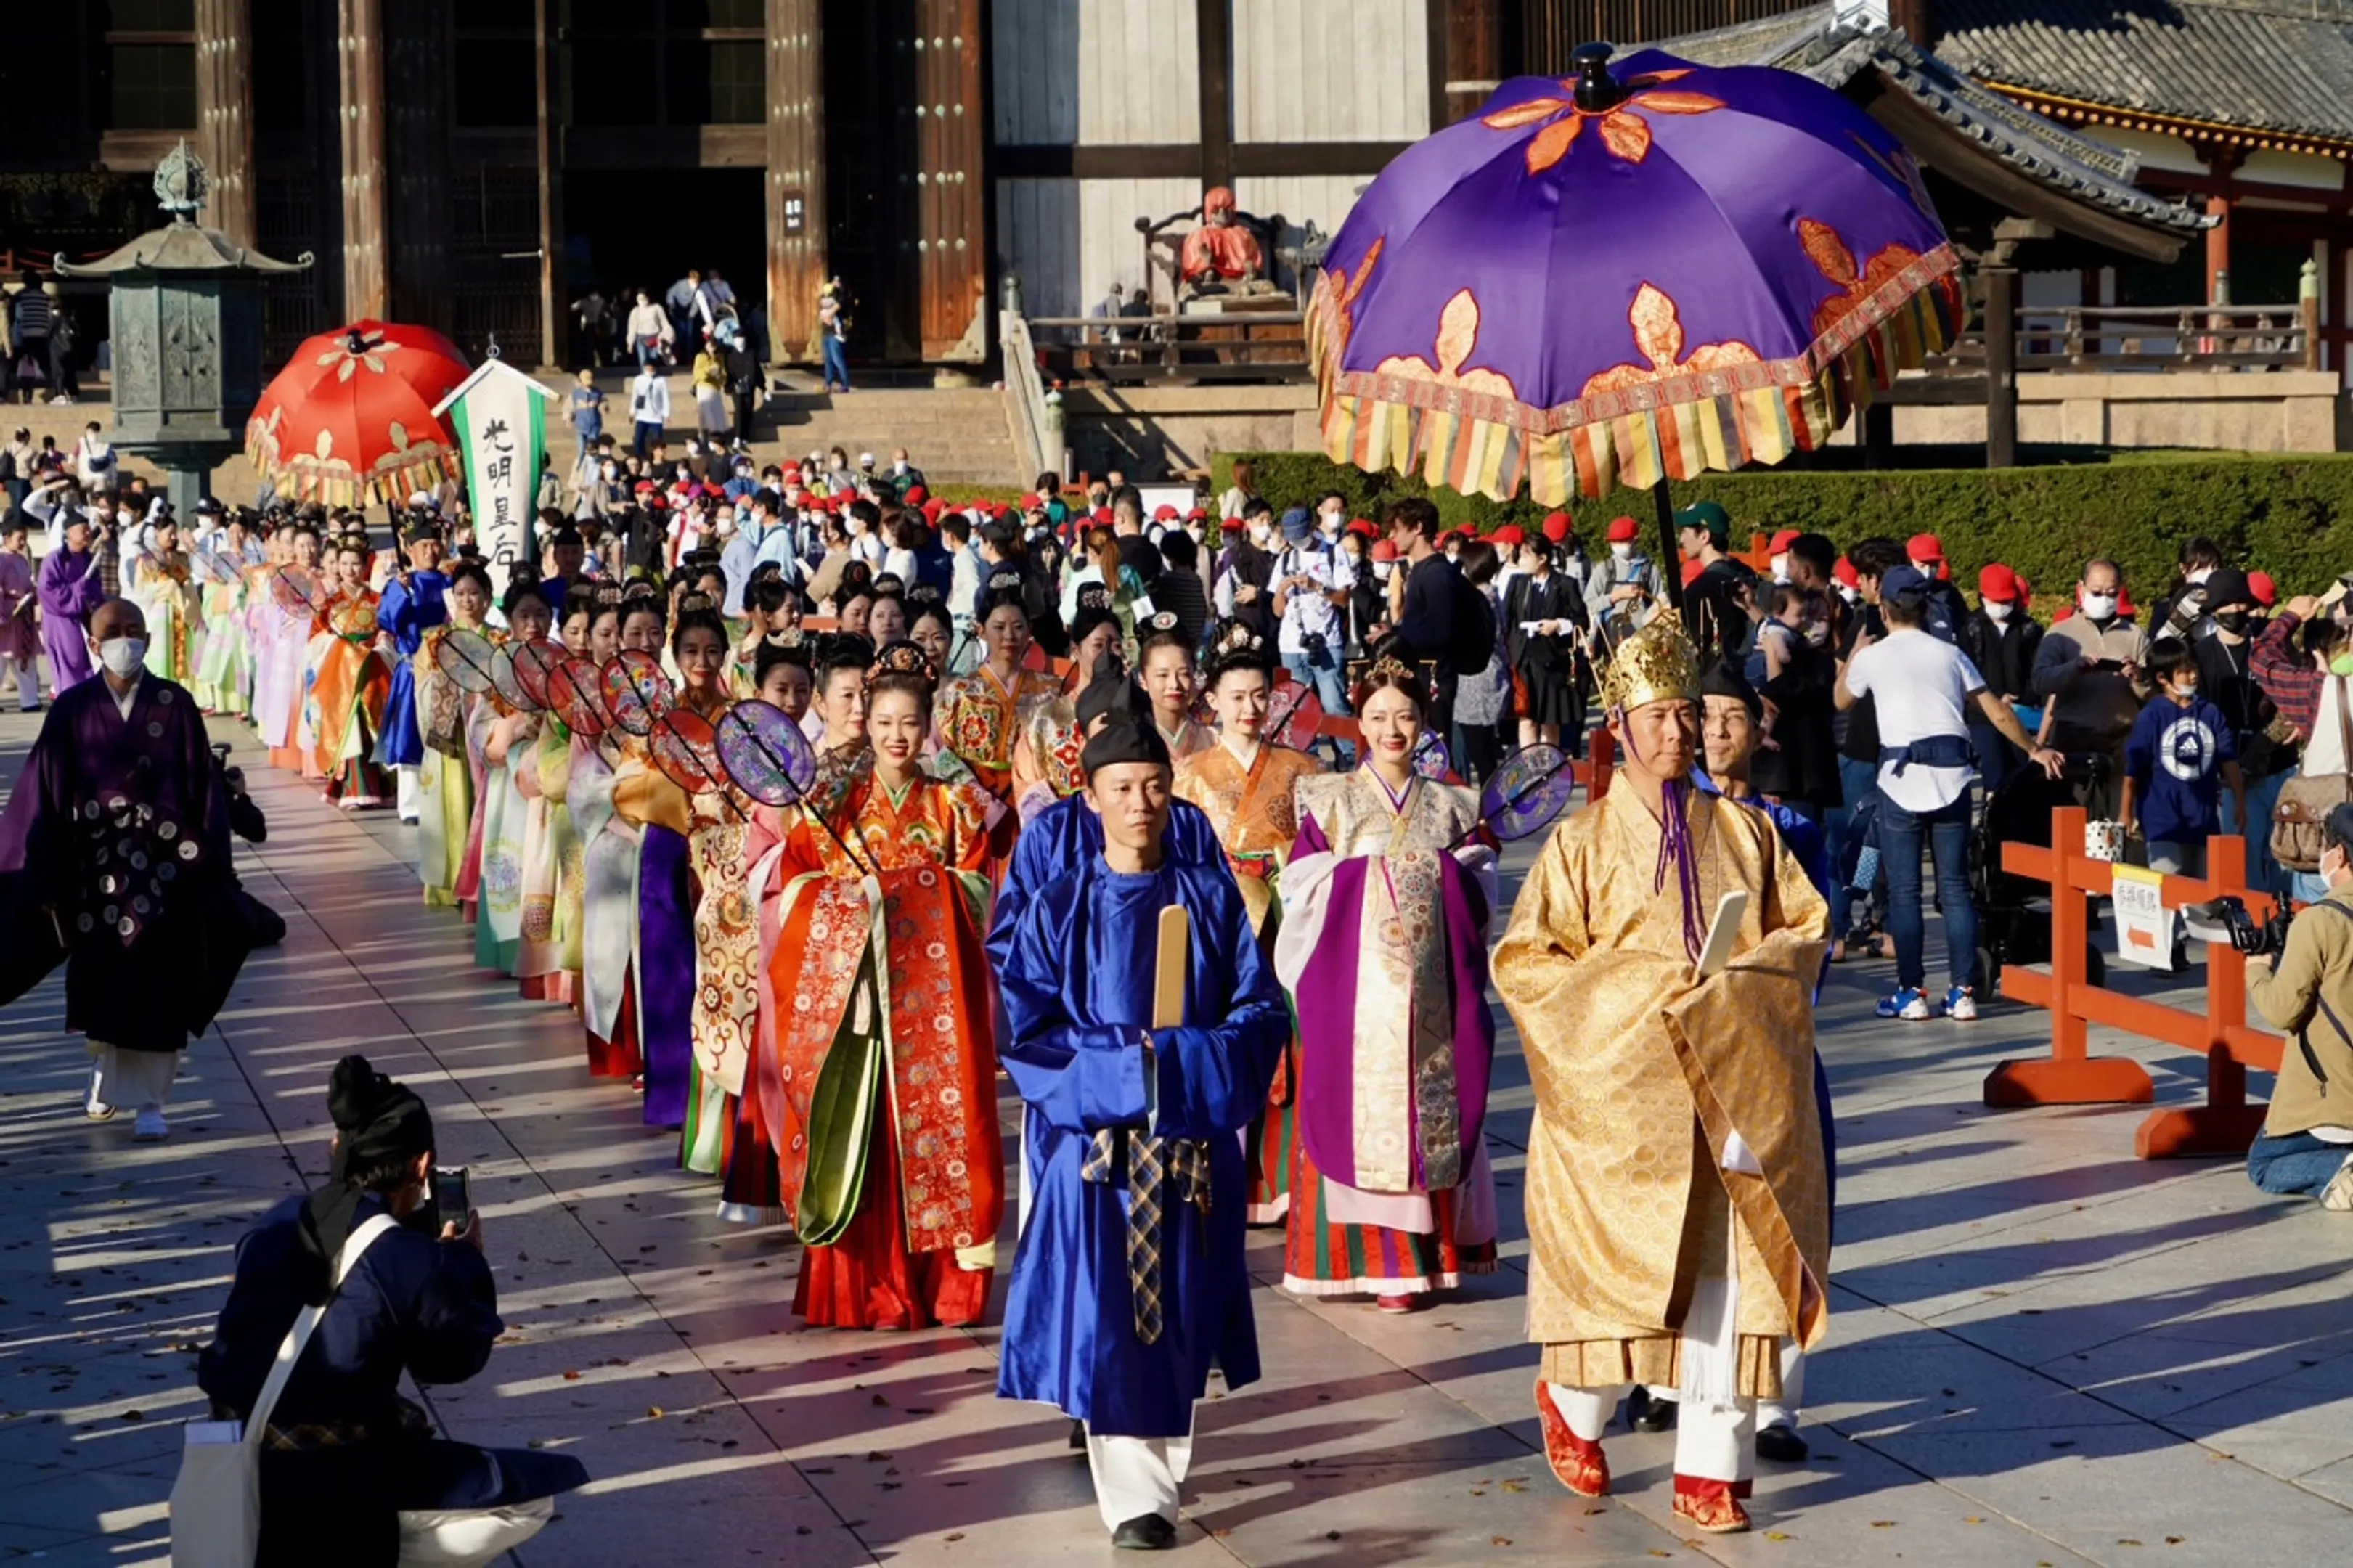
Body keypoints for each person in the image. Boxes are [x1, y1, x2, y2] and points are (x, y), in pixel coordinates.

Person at [1491, 610, 1829, 1535]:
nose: (1677, 734)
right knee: (1625, 1263)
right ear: (1619, 729)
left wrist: (1745, 983)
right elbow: (1525, 963)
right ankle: (1575, 1399)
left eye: (1688, 716)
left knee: (1730, 1270)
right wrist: (1628, 994)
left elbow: (1803, 929)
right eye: (1657, 719)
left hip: (1730, 1080)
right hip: (1623, 1088)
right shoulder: (1581, 841)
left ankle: (1712, 1464)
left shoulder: (1747, 833)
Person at [993, 718, 1289, 1550]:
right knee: (1111, 1319)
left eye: (1154, 786)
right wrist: (1125, 1065)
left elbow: (1259, 1007)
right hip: (1095, 1151)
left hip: (1187, 1138)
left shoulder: (1208, 894)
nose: (1140, 804)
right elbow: (1030, 1030)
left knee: (1179, 1314)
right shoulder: (1061, 905)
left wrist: (1187, 1056)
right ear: (1091, 798)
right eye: (1120, 789)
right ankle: (1134, 1497)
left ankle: (1163, 1477)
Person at [195, 1057, 587, 1567]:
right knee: (525, 1494)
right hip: (341, 1483)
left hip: (237, 1459)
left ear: (339, 1150)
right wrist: (463, 1263)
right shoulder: (407, 1256)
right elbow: (450, 1363)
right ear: (422, 1167)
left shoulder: (273, 1223)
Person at [759, 640, 1008, 1328]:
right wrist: (857, 905)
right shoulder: (831, 803)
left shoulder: (955, 804)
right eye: (884, 722)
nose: (898, 737)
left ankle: (943, 1289)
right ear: (864, 725)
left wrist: (909, 893)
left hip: (934, 1003)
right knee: (860, 1143)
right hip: (859, 1003)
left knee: (943, 1140)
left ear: (928, 726)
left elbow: (982, 892)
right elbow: (798, 890)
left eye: (910, 723)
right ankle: (865, 1287)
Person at [1273, 658, 1499, 1312]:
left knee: (1433, 1106)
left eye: (1404, 715)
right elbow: (1304, 887)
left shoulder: (1453, 804)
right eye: (1377, 716)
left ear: (1423, 722)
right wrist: (1377, 879)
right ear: (1358, 724)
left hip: (1433, 991)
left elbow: (1480, 884)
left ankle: (1428, 1262)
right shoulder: (1328, 797)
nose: (1391, 729)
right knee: (1356, 1107)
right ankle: (1372, 1262)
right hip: (1356, 994)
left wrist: (1434, 875)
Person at [0, 597, 243, 1140]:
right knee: (105, 981)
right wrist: (36, 867)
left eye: (135, 630)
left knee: (159, 982)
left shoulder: (174, 704)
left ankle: (152, 1104)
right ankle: (104, 1076)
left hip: (163, 870)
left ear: (149, 641)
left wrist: (212, 862)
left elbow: (202, 787)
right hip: (94, 877)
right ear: (92, 642)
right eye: (115, 631)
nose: (126, 640)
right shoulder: (71, 709)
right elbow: (42, 790)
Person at [1838, 581, 2063, 1021]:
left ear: (1884, 610)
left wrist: (1853, 653)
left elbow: (1841, 699)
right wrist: (2034, 749)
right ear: (1925, 610)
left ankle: (1911, 991)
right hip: (1954, 777)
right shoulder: (1950, 653)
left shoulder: (1873, 656)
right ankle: (1962, 991)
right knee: (1956, 887)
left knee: (1904, 892)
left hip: (1900, 779)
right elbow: (1997, 710)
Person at [1173, 637, 1323, 1222]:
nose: (1250, 707)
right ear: (1212, 701)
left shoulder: (1300, 769)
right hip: (1220, 919)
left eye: (1260, 694)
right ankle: (1229, 1171)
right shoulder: (1190, 775)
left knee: (1289, 1036)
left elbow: (1318, 845)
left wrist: (1282, 864)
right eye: (1236, 696)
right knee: (1224, 1034)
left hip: (1285, 914)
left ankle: (1284, 1177)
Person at [2244, 802, 2353, 1210]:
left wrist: (2256, 970)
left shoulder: (2321, 922)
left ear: (2339, 855)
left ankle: (2338, 1167)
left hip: (2335, 1101)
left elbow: (2282, 1011)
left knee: (2264, 1164)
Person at [2032, 557, 2148, 821]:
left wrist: (2139, 678)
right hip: (2075, 741)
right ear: (2081, 588)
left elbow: (2154, 694)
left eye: (2111, 593)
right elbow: (2040, 681)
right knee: (2076, 824)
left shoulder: (2135, 635)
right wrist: (2073, 668)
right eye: (2097, 593)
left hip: (2123, 742)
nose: (2104, 599)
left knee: (2123, 823)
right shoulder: (2060, 634)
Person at [2122, 637, 2246, 878]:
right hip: (2162, 821)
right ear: (2162, 678)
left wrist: (2240, 801)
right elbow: (2134, 769)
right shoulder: (2151, 716)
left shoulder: (2210, 713)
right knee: (2168, 892)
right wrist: (2126, 813)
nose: (2193, 677)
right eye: (2184, 672)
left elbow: (2228, 760)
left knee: (2205, 903)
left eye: (2195, 669)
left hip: (2204, 819)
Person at [375, 523, 451, 825]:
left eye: (435, 545)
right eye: (423, 546)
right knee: (410, 735)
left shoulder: (450, 582)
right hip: (412, 668)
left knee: (443, 734)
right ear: (410, 551)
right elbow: (388, 620)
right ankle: (410, 805)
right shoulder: (402, 584)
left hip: (445, 669)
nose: (430, 552)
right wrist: (403, 593)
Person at [1959, 564, 2042, 797]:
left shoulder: (2029, 629)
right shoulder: (1971, 628)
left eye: (2006, 601)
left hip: (2020, 712)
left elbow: (2037, 672)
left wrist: (2023, 697)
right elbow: (1965, 671)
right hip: (1982, 714)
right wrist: (1992, 698)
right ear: (1982, 597)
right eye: (1995, 601)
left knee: (2019, 776)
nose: (2001, 607)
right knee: (1993, 776)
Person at [1676, 502, 1758, 662]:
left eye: (1685, 531)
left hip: (1718, 676)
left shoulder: (1702, 587)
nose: (1681, 539)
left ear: (1704, 536)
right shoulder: (1746, 572)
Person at [36, 510, 106, 692]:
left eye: (88, 530)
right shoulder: (55, 559)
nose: (88, 534)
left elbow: (96, 586)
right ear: (69, 534)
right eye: (83, 530)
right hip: (60, 620)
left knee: (87, 662)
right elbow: (47, 590)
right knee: (70, 662)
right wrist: (78, 588)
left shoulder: (87, 557)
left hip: (83, 619)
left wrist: (91, 594)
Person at [0, 518, 36, 709]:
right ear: (7, 538)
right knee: (2, 659)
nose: (23, 543)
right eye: (19, 538)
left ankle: (30, 700)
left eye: (25, 538)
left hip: (23, 615)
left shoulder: (21, 559)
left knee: (26, 659)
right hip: (7, 616)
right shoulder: (1, 559)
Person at [629, 359, 671, 460]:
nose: (649, 370)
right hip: (642, 415)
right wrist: (632, 412)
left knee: (657, 441)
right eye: (647, 368)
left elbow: (666, 397)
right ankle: (641, 458)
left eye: (651, 368)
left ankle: (657, 459)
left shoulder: (661, 381)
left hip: (656, 416)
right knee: (639, 439)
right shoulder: (638, 380)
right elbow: (635, 396)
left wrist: (667, 414)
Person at [819, 279, 852, 393]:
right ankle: (828, 383)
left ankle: (845, 384)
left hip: (836, 335)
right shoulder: (825, 301)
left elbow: (843, 300)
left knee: (838, 360)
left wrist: (840, 288)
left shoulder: (839, 302)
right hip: (827, 334)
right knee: (828, 360)